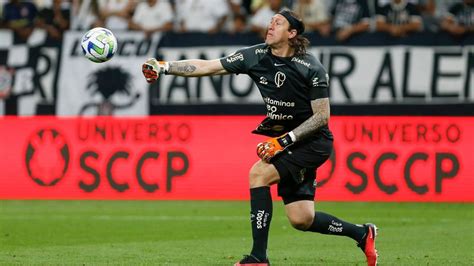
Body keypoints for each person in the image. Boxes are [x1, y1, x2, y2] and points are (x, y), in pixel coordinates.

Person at [142, 9, 378, 266]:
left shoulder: (312, 67)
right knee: (301, 218)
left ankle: (258, 258)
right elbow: (208, 66)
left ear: (292, 33)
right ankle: (362, 233)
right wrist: (165, 67)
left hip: (313, 143)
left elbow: (322, 117)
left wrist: (283, 141)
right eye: (270, 21)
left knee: (258, 174)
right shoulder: (254, 55)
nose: (270, 25)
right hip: (288, 142)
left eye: (278, 23)